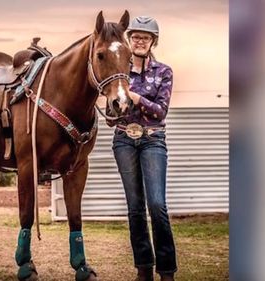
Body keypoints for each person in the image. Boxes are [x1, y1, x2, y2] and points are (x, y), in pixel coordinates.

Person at [110, 16, 177, 281]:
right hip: (123, 140)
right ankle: (143, 268)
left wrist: (136, 98)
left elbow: (161, 112)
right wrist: (113, 108)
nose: (139, 41)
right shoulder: (120, 72)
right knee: (135, 207)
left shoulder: (164, 72)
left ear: (153, 42)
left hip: (153, 140)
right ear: (130, 40)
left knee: (157, 205)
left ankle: (167, 270)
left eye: (145, 37)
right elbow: (112, 113)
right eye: (136, 36)